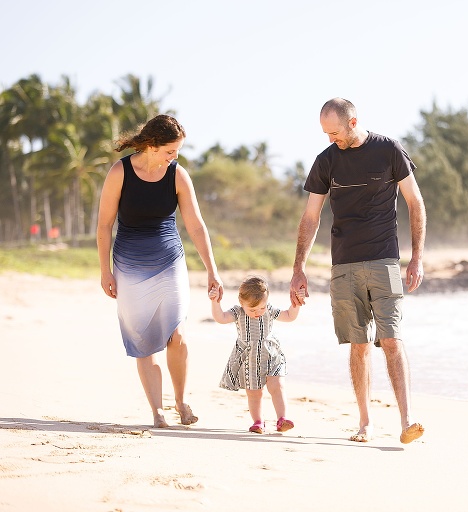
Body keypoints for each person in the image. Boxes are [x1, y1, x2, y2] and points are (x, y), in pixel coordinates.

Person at [289, 98, 427, 444]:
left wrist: (417, 258)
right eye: (325, 133)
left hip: (384, 260)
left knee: (392, 338)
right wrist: (298, 269)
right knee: (359, 344)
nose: (330, 139)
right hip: (345, 264)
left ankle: (407, 420)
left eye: (334, 132)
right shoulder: (327, 161)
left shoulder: (388, 150)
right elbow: (310, 218)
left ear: (353, 123)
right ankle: (364, 423)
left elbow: (415, 202)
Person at [97, 114, 222, 428]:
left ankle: (181, 402)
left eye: (177, 151)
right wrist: (105, 270)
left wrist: (212, 270)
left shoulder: (178, 175)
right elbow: (104, 225)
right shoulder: (120, 172)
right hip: (129, 265)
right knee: (142, 339)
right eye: (170, 151)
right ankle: (157, 411)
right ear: (151, 146)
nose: (175, 157)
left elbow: (195, 224)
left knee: (176, 334)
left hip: (169, 262)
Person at [209, 276, 302, 434]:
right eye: (252, 310)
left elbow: (289, 316)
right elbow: (220, 318)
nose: (258, 312)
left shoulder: (270, 310)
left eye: (261, 308)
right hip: (249, 357)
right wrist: (215, 301)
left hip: (271, 355)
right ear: (241, 302)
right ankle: (258, 422)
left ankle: (282, 419)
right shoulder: (237, 312)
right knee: (254, 393)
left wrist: (296, 304)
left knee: (277, 386)